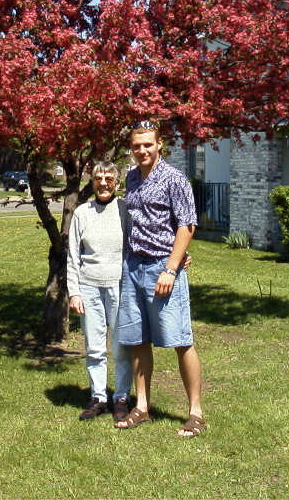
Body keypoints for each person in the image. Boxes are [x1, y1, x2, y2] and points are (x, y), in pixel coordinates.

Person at [115, 120, 206, 437]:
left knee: (181, 340)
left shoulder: (174, 179)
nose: (142, 150)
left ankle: (195, 412)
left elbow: (187, 225)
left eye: (147, 144)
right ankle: (142, 406)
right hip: (133, 267)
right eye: (137, 145)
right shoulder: (131, 177)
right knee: (138, 340)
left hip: (161, 270)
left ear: (159, 145)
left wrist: (172, 266)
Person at [67, 161, 133, 422]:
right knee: (94, 346)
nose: (104, 183)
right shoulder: (82, 213)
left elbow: (135, 247)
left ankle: (121, 397)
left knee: (121, 347)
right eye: (98, 178)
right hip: (89, 286)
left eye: (109, 178)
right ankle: (98, 397)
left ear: (117, 182)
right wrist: (74, 292)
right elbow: (73, 255)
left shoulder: (124, 210)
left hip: (119, 285)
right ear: (92, 181)